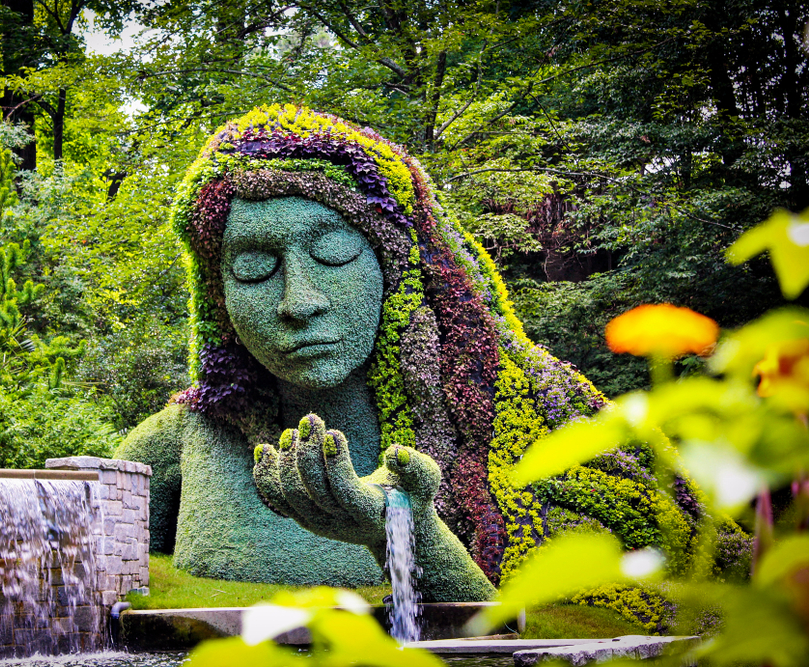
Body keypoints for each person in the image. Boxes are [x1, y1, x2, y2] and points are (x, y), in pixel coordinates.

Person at [115, 105, 714, 604]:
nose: (298, 302)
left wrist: (401, 530)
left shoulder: (523, 421)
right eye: (253, 268)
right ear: (218, 298)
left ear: (396, 269)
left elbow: (514, 633)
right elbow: (85, 511)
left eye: (331, 256)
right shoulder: (199, 429)